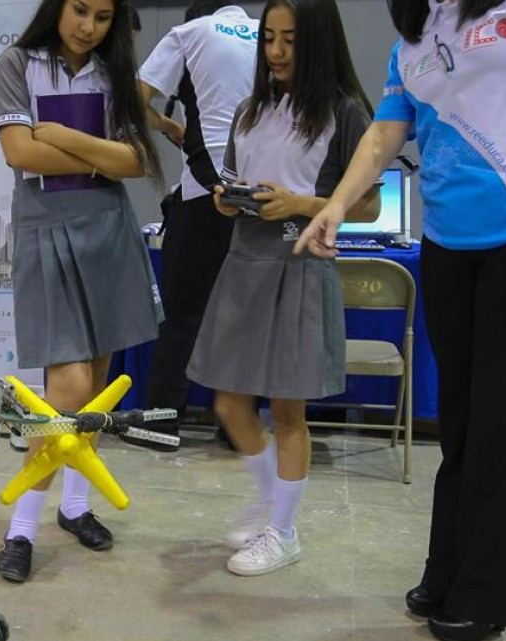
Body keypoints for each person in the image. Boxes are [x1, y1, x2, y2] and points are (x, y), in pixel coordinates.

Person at [297, 0, 506, 637]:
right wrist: (336, 204)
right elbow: (385, 132)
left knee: (501, 424)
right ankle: (448, 572)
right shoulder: (415, 34)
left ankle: (484, 598)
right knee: (461, 420)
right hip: (446, 243)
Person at [186, 0, 381, 577]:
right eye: (268, 38)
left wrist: (299, 204)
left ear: (317, 42)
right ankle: (271, 502)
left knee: (289, 413)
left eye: (289, 40)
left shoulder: (343, 113)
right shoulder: (249, 111)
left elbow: (366, 205)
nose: (274, 51)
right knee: (228, 402)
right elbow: (231, 183)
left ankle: (284, 532)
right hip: (243, 263)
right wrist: (229, 200)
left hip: (299, 264)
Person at [0, 0, 164, 584]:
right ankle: (22, 529)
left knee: (93, 395)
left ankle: (75, 506)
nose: (88, 26)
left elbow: (136, 160)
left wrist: (62, 135)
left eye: (103, 16)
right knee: (63, 395)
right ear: (57, 7)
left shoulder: (115, 73)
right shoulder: (16, 63)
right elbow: (18, 152)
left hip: (107, 232)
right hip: (44, 227)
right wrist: (100, 155)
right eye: (79, 10)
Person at [132, 1, 259, 451]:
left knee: (184, 316)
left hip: (207, 193)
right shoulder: (270, 33)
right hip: (267, 195)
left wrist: (170, 125)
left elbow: (135, 97)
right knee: (248, 320)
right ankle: (238, 430)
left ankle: (161, 425)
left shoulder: (190, 34)